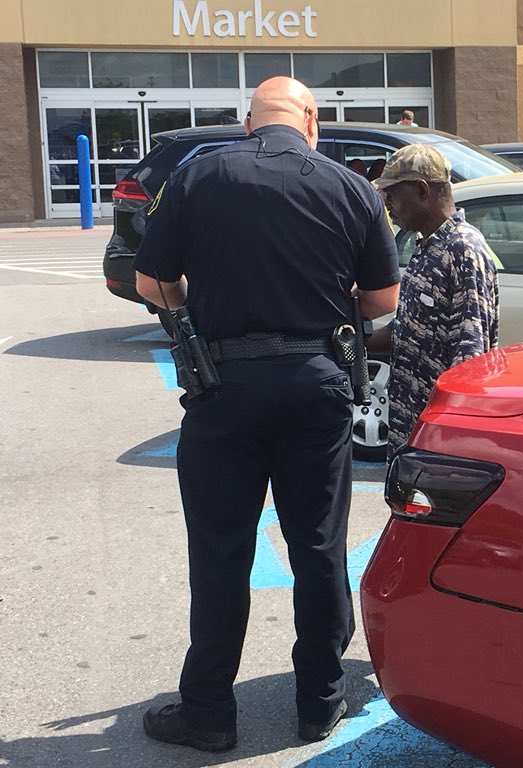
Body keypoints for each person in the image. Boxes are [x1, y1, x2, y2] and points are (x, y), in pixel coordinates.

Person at [132, 76, 400, 752]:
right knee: (317, 546)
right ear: (309, 119)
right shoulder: (351, 188)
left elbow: (152, 283)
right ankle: (320, 701)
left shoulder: (199, 179)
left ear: (248, 121)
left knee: (221, 552)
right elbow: (382, 299)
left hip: (223, 386)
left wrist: (207, 291)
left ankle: (209, 715)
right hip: (316, 383)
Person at [371, 144, 499, 460]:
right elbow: (407, 331)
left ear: (421, 190)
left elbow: (470, 359)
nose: (388, 205)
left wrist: (448, 443)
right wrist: (352, 340)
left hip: (439, 443)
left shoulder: (463, 251)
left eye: (393, 195)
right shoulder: (427, 248)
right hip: (410, 435)